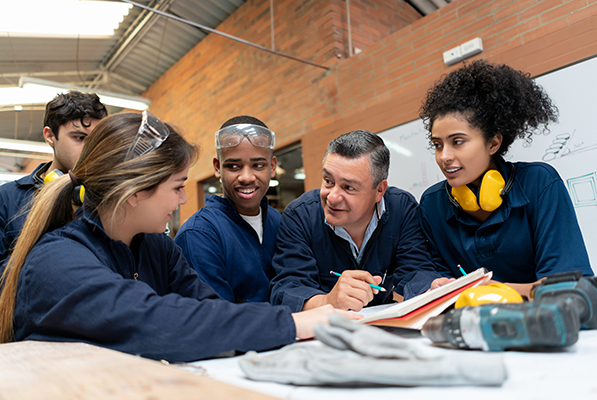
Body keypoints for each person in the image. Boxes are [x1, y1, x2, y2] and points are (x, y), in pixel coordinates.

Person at [0, 112, 348, 362]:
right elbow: (156, 321)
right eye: (178, 187)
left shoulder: (156, 247)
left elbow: (209, 310)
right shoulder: (56, 262)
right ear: (135, 191)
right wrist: (289, 323)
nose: (183, 200)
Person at [418, 60, 593, 298]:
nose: (444, 156)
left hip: (543, 324)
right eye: (437, 145)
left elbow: (570, 287)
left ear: (493, 143)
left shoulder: (539, 183)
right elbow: (437, 282)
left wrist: (492, 290)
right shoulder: (431, 204)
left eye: (457, 141)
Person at [269, 130, 443, 312]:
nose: (332, 197)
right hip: (325, 329)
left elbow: (415, 269)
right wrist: (328, 301)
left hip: (382, 323)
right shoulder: (300, 216)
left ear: (379, 190)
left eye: (349, 187)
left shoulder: (401, 207)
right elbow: (286, 289)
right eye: (328, 181)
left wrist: (430, 288)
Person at [0, 90, 107, 278]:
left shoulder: (109, 199)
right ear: (50, 136)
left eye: (97, 140)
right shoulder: (5, 199)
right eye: (79, 138)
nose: (90, 150)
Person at [175, 116, 280, 303]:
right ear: (217, 168)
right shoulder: (199, 235)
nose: (246, 177)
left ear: (272, 167)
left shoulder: (279, 222)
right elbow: (218, 319)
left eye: (258, 165)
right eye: (233, 166)